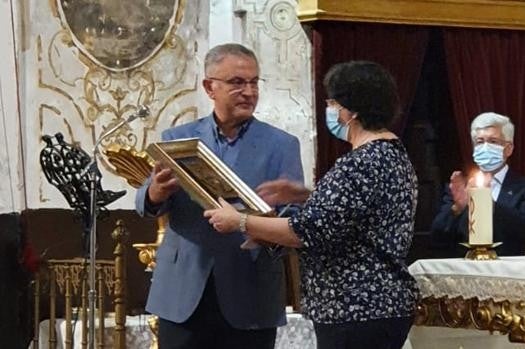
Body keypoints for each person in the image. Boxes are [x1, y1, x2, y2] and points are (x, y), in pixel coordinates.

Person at [205, 61, 419, 349]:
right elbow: (357, 213)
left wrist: (240, 221)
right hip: (378, 305)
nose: (329, 109)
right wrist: (304, 196)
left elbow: (308, 230)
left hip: (355, 306)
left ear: (350, 109)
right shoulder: (390, 153)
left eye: (332, 102)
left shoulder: (361, 162)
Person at [135, 43, 304, 348]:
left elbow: (293, 219)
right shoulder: (178, 140)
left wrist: (251, 223)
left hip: (250, 291)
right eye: (237, 82)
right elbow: (144, 204)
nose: (249, 92)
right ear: (209, 87)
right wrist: (156, 192)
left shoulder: (282, 145)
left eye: (254, 82)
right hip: (183, 293)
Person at [431, 112, 525, 257]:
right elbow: (436, 236)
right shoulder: (460, 188)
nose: (485, 147)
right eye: (480, 142)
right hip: (463, 268)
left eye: (493, 141)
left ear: (508, 148)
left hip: (507, 268)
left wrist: (486, 203)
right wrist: (457, 208)